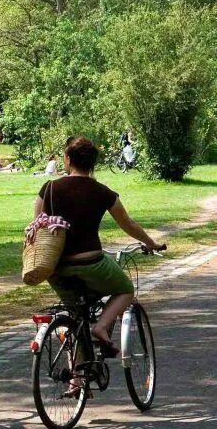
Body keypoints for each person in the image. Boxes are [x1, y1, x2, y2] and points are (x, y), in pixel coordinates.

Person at [35, 137, 164, 359]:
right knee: (125, 290)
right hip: (92, 264)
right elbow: (128, 224)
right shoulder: (102, 192)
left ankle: (76, 379)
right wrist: (151, 243)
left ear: (67, 159)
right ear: (93, 163)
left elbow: (37, 223)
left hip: (56, 268)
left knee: (77, 317)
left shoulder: (49, 188)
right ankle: (102, 327)